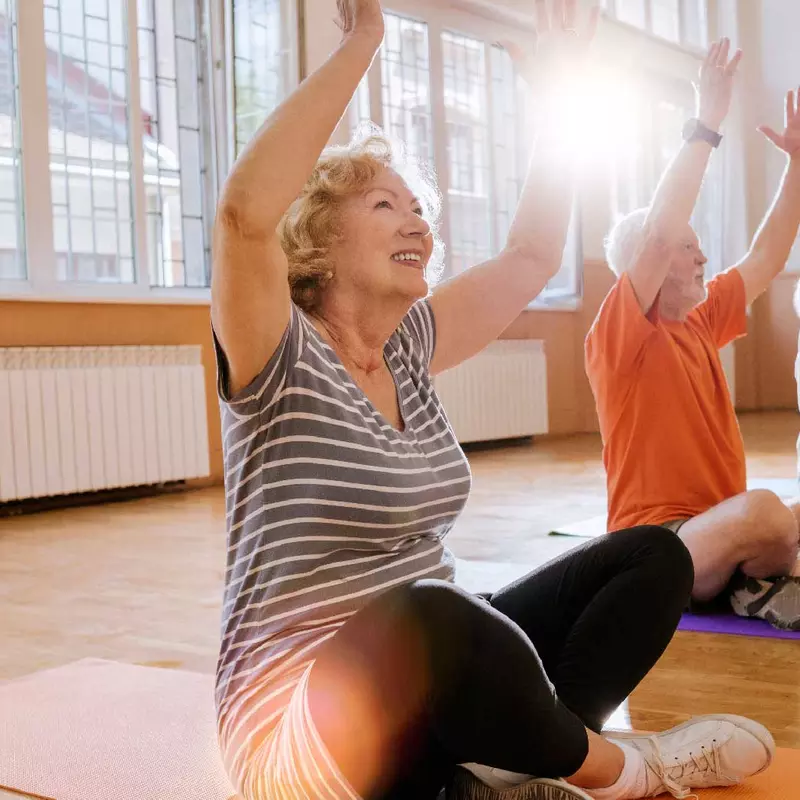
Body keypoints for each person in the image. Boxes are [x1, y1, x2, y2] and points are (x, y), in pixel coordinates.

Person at [210, 1, 775, 798]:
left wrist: (558, 97)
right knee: (433, 616)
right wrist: (363, 42)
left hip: (434, 694)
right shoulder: (279, 353)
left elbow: (533, 250)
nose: (419, 223)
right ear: (319, 240)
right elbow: (241, 216)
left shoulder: (407, 347)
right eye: (385, 206)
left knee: (654, 556)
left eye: (420, 209)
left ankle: (517, 772)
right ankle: (626, 770)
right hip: (305, 733)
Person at [586, 39, 800, 631]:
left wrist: (798, 166)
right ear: (650, 265)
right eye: (687, 246)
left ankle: (753, 581)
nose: (702, 254)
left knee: (777, 513)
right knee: (765, 514)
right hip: (655, 549)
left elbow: (766, 254)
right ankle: (756, 584)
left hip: (715, 530)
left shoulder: (703, 318)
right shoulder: (622, 332)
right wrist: (705, 124)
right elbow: (657, 233)